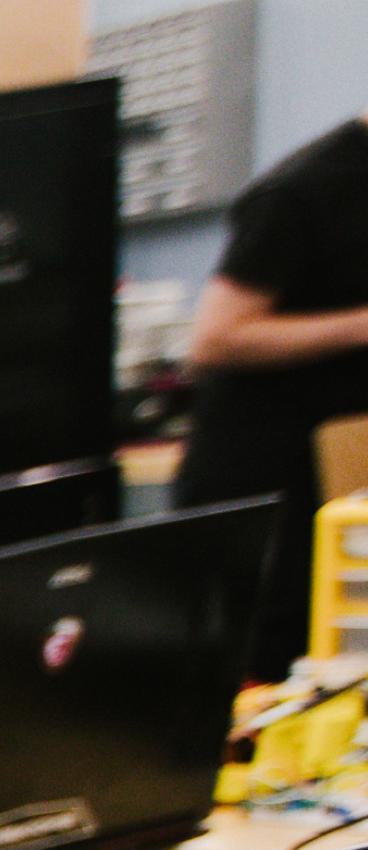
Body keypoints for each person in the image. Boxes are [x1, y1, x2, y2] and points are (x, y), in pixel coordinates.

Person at [176, 114, 368, 681]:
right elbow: (214, 339)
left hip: (336, 476)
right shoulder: (301, 190)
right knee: (258, 672)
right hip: (261, 484)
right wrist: (361, 326)